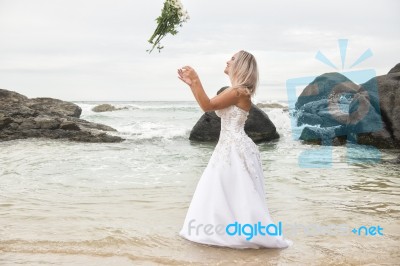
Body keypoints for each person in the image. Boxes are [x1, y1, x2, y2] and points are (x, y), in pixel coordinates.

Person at [177, 50, 292, 249]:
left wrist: (196, 80)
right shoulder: (237, 91)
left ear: (240, 65)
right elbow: (207, 105)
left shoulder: (237, 92)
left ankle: (232, 234)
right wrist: (192, 85)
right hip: (232, 145)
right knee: (231, 191)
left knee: (236, 192)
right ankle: (226, 231)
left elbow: (207, 106)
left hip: (233, 147)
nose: (227, 61)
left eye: (231, 59)